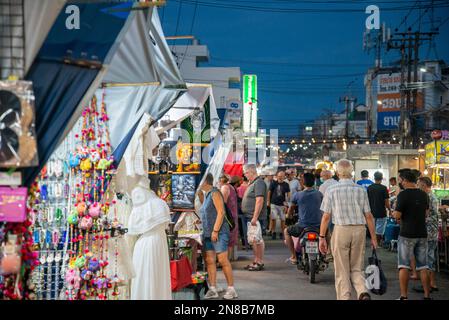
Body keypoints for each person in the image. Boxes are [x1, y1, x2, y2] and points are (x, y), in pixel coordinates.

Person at [318, 159, 377, 300]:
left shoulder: (331, 190)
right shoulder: (361, 189)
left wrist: (321, 237)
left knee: (342, 269)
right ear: (351, 172)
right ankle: (362, 291)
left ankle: (344, 297)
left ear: (338, 173)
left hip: (341, 230)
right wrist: (374, 238)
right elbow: (368, 215)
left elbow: (326, 217)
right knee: (357, 266)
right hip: (359, 230)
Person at [392, 169, 431, 300]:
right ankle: (426, 296)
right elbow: (426, 213)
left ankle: (404, 296)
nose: (399, 182)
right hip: (422, 233)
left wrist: (394, 213)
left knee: (403, 266)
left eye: (400, 180)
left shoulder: (403, 195)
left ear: (404, 180)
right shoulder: (424, 194)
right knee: (423, 266)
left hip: (407, 234)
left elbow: (397, 215)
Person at [199, 173, 238, 300]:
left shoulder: (215, 192)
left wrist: (215, 231)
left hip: (219, 232)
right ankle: (213, 288)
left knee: (222, 260)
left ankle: (231, 289)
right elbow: (209, 213)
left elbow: (221, 212)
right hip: (208, 232)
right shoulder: (206, 195)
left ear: (205, 181)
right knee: (210, 260)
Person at [285, 173, 323, 264]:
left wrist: (288, 217)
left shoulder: (297, 195)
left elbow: (291, 209)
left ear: (302, 183)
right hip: (318, 226)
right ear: (314, 182)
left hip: (302, 226)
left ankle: (294, 256)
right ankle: (328, 252)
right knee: (327, 232)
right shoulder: (319, 194)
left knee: (286, 231)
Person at [241, 164, 267, 271]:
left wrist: (255, 217)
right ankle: (256, 260)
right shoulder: (253, 183)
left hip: (254, 217)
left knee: (257, 240)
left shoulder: (259, 182)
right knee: (254, 239)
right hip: (250, 216)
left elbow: (259, 200)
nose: (245, 175)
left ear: (251, 171)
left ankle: (259, 261)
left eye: (246, 172)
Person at [416, 176, 439, 293]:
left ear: (424, 185)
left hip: (429, 232)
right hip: (432, 232)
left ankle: (429, 285)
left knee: (428, 259)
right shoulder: (431, 196)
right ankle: (431, 283)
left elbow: (429, 216)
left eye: (418, 184)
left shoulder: (428, 197)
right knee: (430, 257)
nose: (417, 186)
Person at [367, 171, 391, 246]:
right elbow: (386, 202)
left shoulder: (369, 188)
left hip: (371, 212)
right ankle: (376, 243)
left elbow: (367, 200)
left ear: (374, 178)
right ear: (381, 178)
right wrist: (390, 210)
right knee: (379, 230)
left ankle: (373, 243)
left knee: (372, 229)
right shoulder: (384, 188)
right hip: (381, 212)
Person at [219, 175, 239, 260]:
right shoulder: (230, 187)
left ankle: (225, 260)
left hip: (228, 216)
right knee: (230, 238)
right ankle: (229, 259)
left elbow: (223, 203)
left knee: (226, 237)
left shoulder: (224, 188)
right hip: (232, 214)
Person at [267, 171, 290, 240]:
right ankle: (273, 232)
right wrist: (268, 201)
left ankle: (282, 233)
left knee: (283, 219)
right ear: (277, 176)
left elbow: (288, 194)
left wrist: (286, 203)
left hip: (282, 204)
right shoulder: (273, 183)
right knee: (273, 218)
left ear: (284, 177)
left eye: (281, 176)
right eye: (279, 176)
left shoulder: (286, 184)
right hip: (274, 203)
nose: (280, 177)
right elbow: (269, 192)